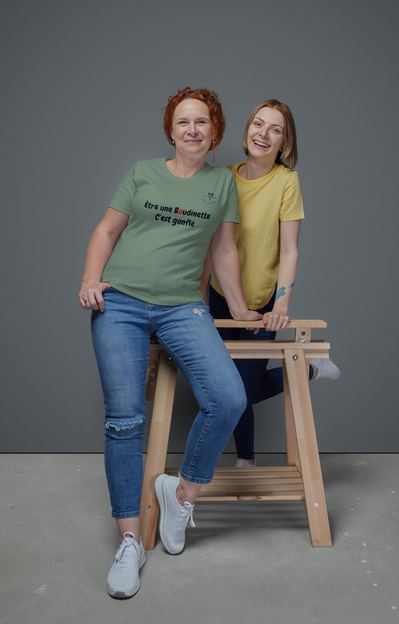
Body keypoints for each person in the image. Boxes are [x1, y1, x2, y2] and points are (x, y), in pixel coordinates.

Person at [78, 88, 261, 598]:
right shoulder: (141, 172)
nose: (192, 130)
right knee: (124, 420)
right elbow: (107, 230)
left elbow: (224, 248)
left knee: (227, 397)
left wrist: (242, 307)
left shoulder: (221, 183)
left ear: (215, 130)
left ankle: (180, 499)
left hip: (184, 305)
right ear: (170, 130)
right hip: (122, 304)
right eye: (183, 122)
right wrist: (91, 277)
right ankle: (130, 541)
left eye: (202, 122)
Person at [205, 99, 340, 467]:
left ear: (284, 143)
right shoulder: (223, 178)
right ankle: (245, 460)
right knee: (223, 387)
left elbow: (290, 250)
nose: (263, 134)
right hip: (221, 297)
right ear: (247, 130)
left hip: (263, 302)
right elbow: (210, 244)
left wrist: (281, 305)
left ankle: (308, 369)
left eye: (275, 130)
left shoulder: (286, 182)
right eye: (258, 124)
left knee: (243, 389)